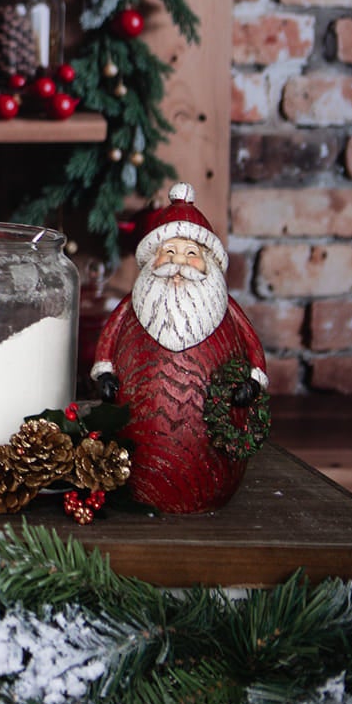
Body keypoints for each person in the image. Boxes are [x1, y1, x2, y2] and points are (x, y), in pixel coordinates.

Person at [91, 180, 269, 513]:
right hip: (137, 443)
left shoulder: (224, 308)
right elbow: (108, 343)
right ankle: (139, 489)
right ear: (153, 259)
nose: (179, 263)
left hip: (214, 453)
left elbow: (253, 349)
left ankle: (208, 489)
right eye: (169, 252)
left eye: (191, 254)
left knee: (206, 478)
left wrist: (252, 382)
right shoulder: (135, 306)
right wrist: (105, 373)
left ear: (208, 261)